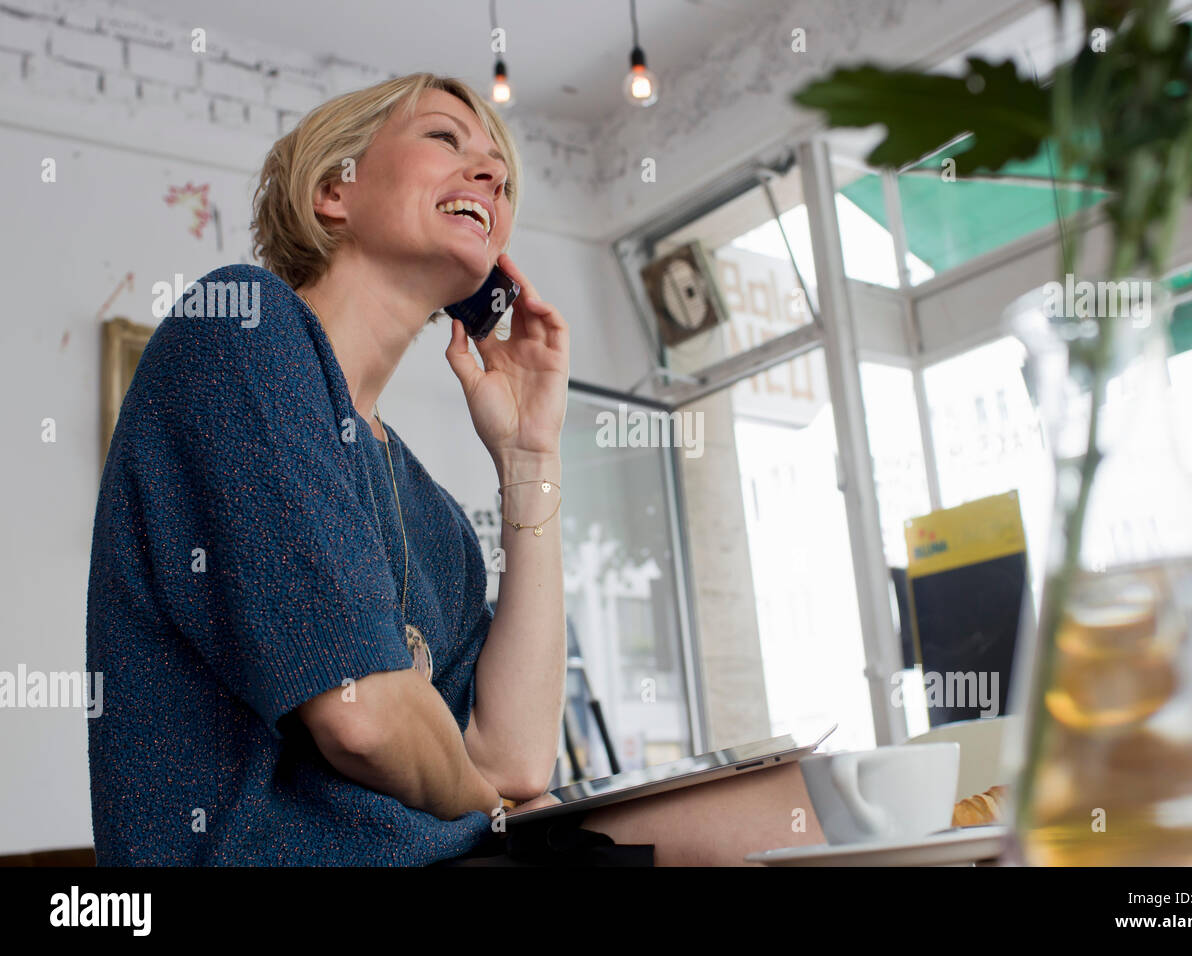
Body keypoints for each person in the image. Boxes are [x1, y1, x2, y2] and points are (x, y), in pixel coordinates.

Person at [86, 72, 828, 867]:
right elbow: (363, 717)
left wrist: (528, 459)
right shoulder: (241, 324)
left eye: (501, 173)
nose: (491, 176)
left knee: (787, 805)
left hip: (443, 852)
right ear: (335, 188)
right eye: (446, 138)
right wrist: (490, 807)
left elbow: (513, 757)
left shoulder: (430, 512)